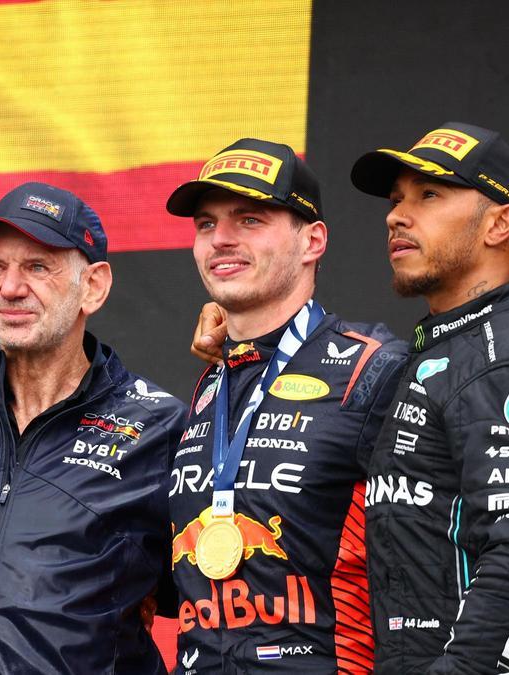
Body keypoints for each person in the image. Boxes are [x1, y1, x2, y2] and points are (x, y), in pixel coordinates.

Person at [0, 182, 185, 673]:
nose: (9, 288)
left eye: (36, 266)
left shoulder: (159, 425)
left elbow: (205, 603)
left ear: (93, 286)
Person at [163, 139, 408, 673]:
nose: (221, 239)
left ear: (312, 240)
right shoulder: (213, 382)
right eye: (206, 224)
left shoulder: (376, 369)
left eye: (250, 220)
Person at [348, 122, 509, 673]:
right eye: (398, 199)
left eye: (429, 195)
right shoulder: (436, 353)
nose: (396, 215)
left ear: (499, 223)